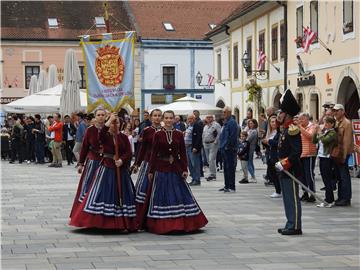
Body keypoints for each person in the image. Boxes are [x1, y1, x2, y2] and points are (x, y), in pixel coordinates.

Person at [69, 113, 138, 230]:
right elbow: (98, 137)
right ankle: (100, 222)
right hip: (106, 167)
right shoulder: (104, 135)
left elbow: (128, 152)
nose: (114, 125)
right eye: (112, 123)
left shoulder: (123, 137)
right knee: (101, 192)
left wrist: (122, 160)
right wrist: (109, 120)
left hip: (120, 170)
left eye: (116, 123)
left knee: (121, 194)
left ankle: (123, 222)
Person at [146, 110, 208, 234]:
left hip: (175, 168)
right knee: (163, 194)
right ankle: (164, 224)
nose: (169, 120)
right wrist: (151, 170)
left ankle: (182, 222)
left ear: (174, 119)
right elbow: (153, 154)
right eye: (166, 118)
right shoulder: (158, 134)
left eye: (171, 118)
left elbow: (182, 153)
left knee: (179, 193)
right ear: (164, 119)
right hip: (161, 168)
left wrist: (185, 168)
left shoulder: (179, 134)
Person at [275, 89, 302, 235]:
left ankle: (295, 226)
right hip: (284, 169)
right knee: (287, 198)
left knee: (292, 198)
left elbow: (296, 152)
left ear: (287, 115)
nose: (279, 115)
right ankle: (290, 222)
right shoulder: (284, 129)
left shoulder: (293, 129)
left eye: (281, 112)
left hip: (290, 169)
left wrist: (284, 163)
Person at [69, 108, 106, 218]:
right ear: (95, 117)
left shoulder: (109, 130)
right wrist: (81, 163)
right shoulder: (90, 130)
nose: (101, 117)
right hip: (93, 161)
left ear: (106, 116)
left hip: (106, 161)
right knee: (89, 186)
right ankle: (84, 213)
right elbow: (85, 147)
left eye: (103, 115)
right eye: (98, 114)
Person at [131, 109, 162, 229]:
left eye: (159, 116)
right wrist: (137, 164)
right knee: (144, 189)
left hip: (161, 164)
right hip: (148, 163)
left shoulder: (166, 131)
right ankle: (142, 218)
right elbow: (142, 149)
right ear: (151, 117)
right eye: (155, 116)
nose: (157, 118)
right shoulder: (147, 131)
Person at [312, 116, 337, 208]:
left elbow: (325, 141)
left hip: (328, 157)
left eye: (327, 123)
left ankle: (329, 200)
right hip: (322, 156)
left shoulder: (333, 133)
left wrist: (319, 132)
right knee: (324, 178)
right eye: (324, 123)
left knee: (327, 179)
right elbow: (314, 141)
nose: (325, 125)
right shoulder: (324, 132)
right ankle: (328, 199)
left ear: (332, 124)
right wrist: (315, 131)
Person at [332, 104, 353, 206]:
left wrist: (343, 156)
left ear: (342, 111)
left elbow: (347, 141)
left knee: (344, 176)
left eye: (336, 111)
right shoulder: (337, 122)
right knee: (339, 176)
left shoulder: (346, 123)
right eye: (334, 111)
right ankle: (341, 197)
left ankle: (346, 198)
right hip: (337, 152)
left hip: (343, 153)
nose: (334, 113)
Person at [298, 112, 318, 202]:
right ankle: (305, 193)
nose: (300, 121)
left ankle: (312, 194)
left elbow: (310, 136)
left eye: (301, 119)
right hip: (301, 154)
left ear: (306, 118)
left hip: (309, 154)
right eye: (299, 119)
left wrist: (300, 128)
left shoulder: (312, 126)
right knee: (302, 175)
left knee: (309, 174)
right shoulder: (301, 127)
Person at [219, 106, 239, 192]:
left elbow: (233, 136)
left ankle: (232, 186)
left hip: (229, 149)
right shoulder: (226, 122)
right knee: (226, 168)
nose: (223, 114)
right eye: (223, 112)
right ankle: (226, 185)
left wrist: (228, 146)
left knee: (230, 168)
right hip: (224, 148)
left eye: (225, 112)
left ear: (229, 112)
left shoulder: (232, 122)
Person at [262, 115, 281, 197]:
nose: (273, 123)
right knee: (272, 173)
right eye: (271, 122)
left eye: (274, 121)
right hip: (270, 154)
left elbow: (278, 144)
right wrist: (265, 142)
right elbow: (268, 144)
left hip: (277, 155)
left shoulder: (279, 132)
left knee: (277, 174)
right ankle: (277, 190)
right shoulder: (270, 132)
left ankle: (279, 190)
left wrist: (269, 141)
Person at [202, 115, 221, 181]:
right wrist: (203, 142)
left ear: (212, 118)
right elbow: (203, 135)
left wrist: (216, 141)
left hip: (213, 143)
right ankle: (211, 173)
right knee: (208, 160)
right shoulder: (205, 126)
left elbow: (219, 133)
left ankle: (213, 175)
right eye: (207, 117)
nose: (208, 119)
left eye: (210, 117)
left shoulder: (216, 125)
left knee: (211, 159)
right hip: (206, 144)